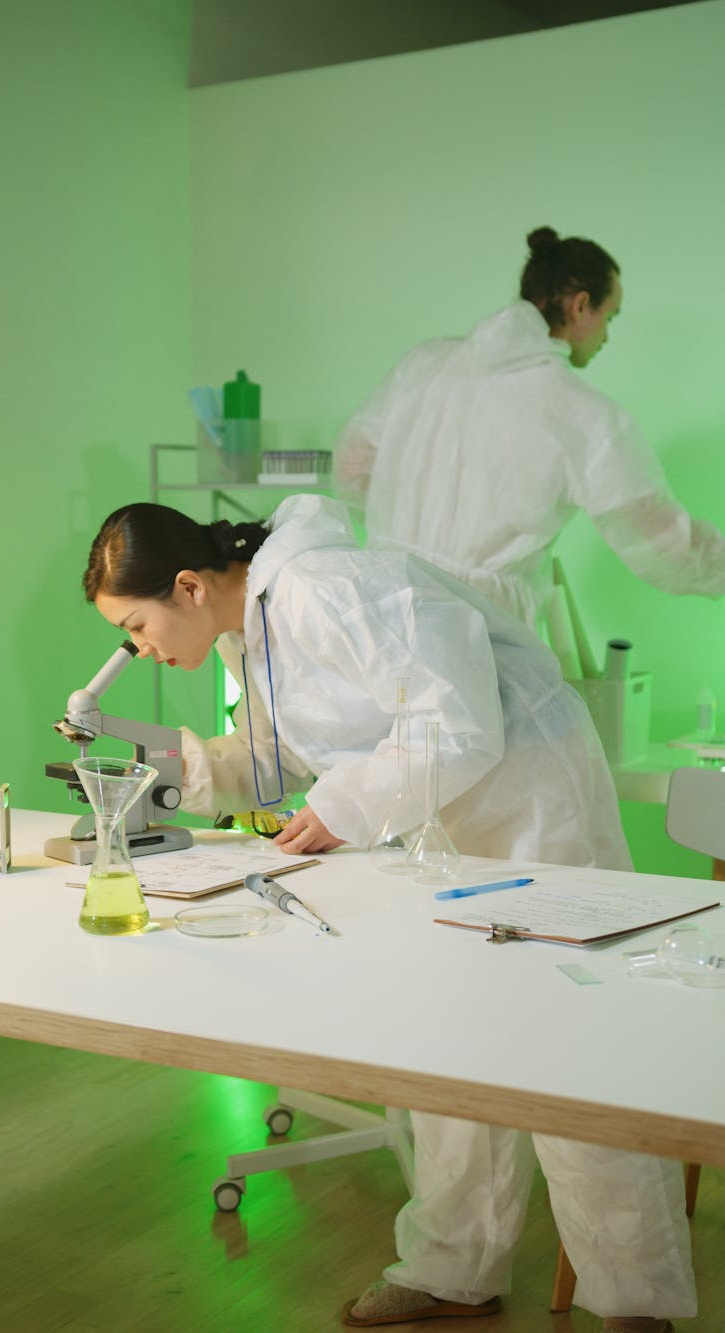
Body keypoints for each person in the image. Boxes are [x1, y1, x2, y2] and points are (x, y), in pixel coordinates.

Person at [83, 493, 694, 1332]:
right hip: (441, 824)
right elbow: (293, 755)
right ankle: (453, 1265)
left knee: (569, 1050)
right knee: (445, 1041)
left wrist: (343, 808)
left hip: (528, 804)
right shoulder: (245, 633)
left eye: (138, 629)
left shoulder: (322, 587)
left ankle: (634, 1298)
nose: (142, 651)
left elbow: (460, 718)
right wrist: (183, 770)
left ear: (188, 586)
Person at [333, 225, 725, 635]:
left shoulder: (424, 363)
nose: (607, 334)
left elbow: (352, 467)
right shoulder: (582, 413)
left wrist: (407, 531)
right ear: (580, 306)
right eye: (610, 316)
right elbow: (663, 544)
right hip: (480, 631)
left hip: (381, 610)